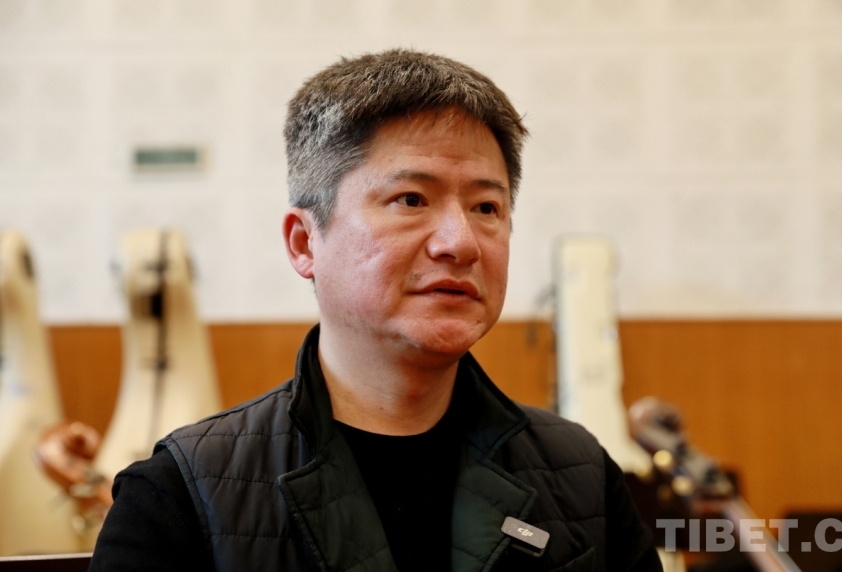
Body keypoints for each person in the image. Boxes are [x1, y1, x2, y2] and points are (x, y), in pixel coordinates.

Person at [89, 49, 661, 572]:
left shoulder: (581, 474)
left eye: (487, 207)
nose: (460, 243)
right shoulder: (181, 492)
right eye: (411, 199)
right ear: (304, 243)